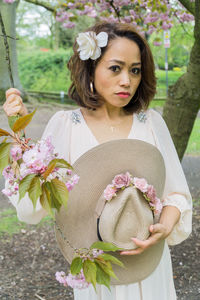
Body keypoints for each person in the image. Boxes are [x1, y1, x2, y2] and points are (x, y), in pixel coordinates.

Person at [3, 22, 192, 300]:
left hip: (151, 267)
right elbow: (32, 209)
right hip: (97, 271)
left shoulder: (152, 123)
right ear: (91, 69)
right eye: (115, 68)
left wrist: (164, 225)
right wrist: (18, 132)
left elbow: (177, 194)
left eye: (135, 70)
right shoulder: (66, 126)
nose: (126, 80)